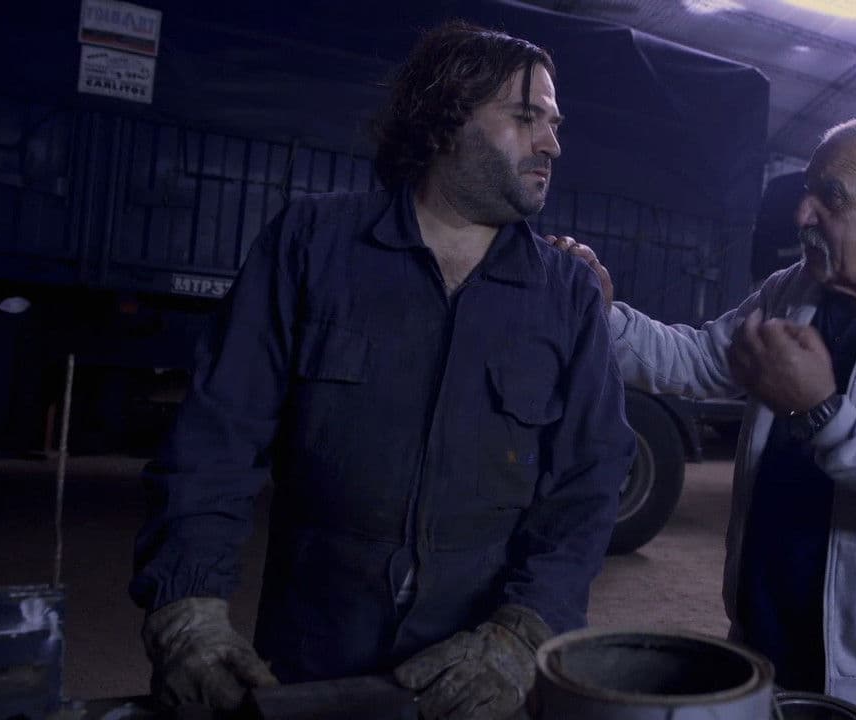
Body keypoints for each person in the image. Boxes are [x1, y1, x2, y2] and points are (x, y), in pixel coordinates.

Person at [130, 21, 636, 720]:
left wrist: (523, 634)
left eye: (553, 124)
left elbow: (588, 481)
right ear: (445, 118)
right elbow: (217, 434)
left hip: (474, 679)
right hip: (311, 656)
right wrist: (187, 606)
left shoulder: (568, 295)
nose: (551, 143)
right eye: (526, 118)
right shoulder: (311, 246)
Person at [551, 116, 856, 720]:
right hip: (764, 652)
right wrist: (604, 317)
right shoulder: (795, 288)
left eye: (831, 197)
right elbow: (700, 359)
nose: (803, 213)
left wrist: (823, 414)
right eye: (807, 191)